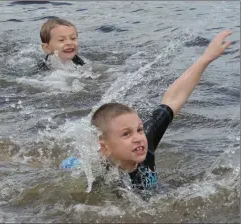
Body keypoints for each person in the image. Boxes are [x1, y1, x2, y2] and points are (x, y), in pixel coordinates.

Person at [91, 30, 232, 191]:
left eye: (139, 129)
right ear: (105, 147)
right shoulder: (102, 179)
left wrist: (205, 58)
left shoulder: (147, 138)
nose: (138, 138)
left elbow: (172, 100)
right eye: (126, 134)